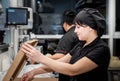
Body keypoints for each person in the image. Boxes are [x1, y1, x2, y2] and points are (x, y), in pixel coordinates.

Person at [20, 8, 110, 81]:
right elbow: (57, 63)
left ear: (90, 27)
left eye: (78, 27)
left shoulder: (101, 49)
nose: (75, 31)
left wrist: (41, 58)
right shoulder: (80, 45)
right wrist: (34, 72)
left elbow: (73, 70)